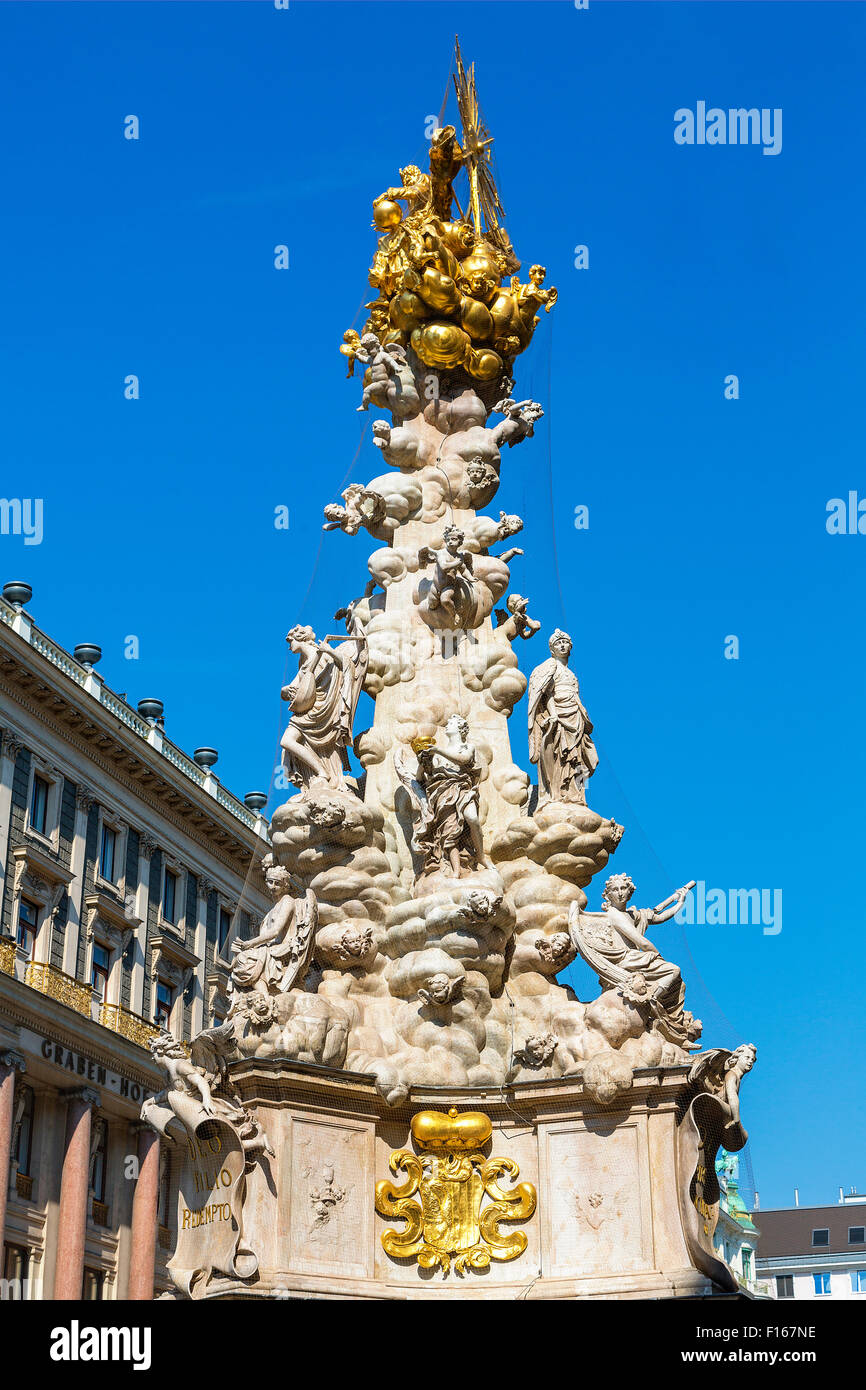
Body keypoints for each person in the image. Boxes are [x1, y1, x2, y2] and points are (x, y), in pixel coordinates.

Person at [527, 629, 598, 805]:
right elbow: (546, 694)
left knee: (582, 758)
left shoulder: (572, 674)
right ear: (552, 649)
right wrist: (553, 714)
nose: (562, 645)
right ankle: (557, 794)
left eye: (565, 642)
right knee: (561, 755)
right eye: (558, 643)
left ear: (571, 646)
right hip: (560, 716)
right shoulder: (549, 666)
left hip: (577, 717)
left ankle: (580, 796)